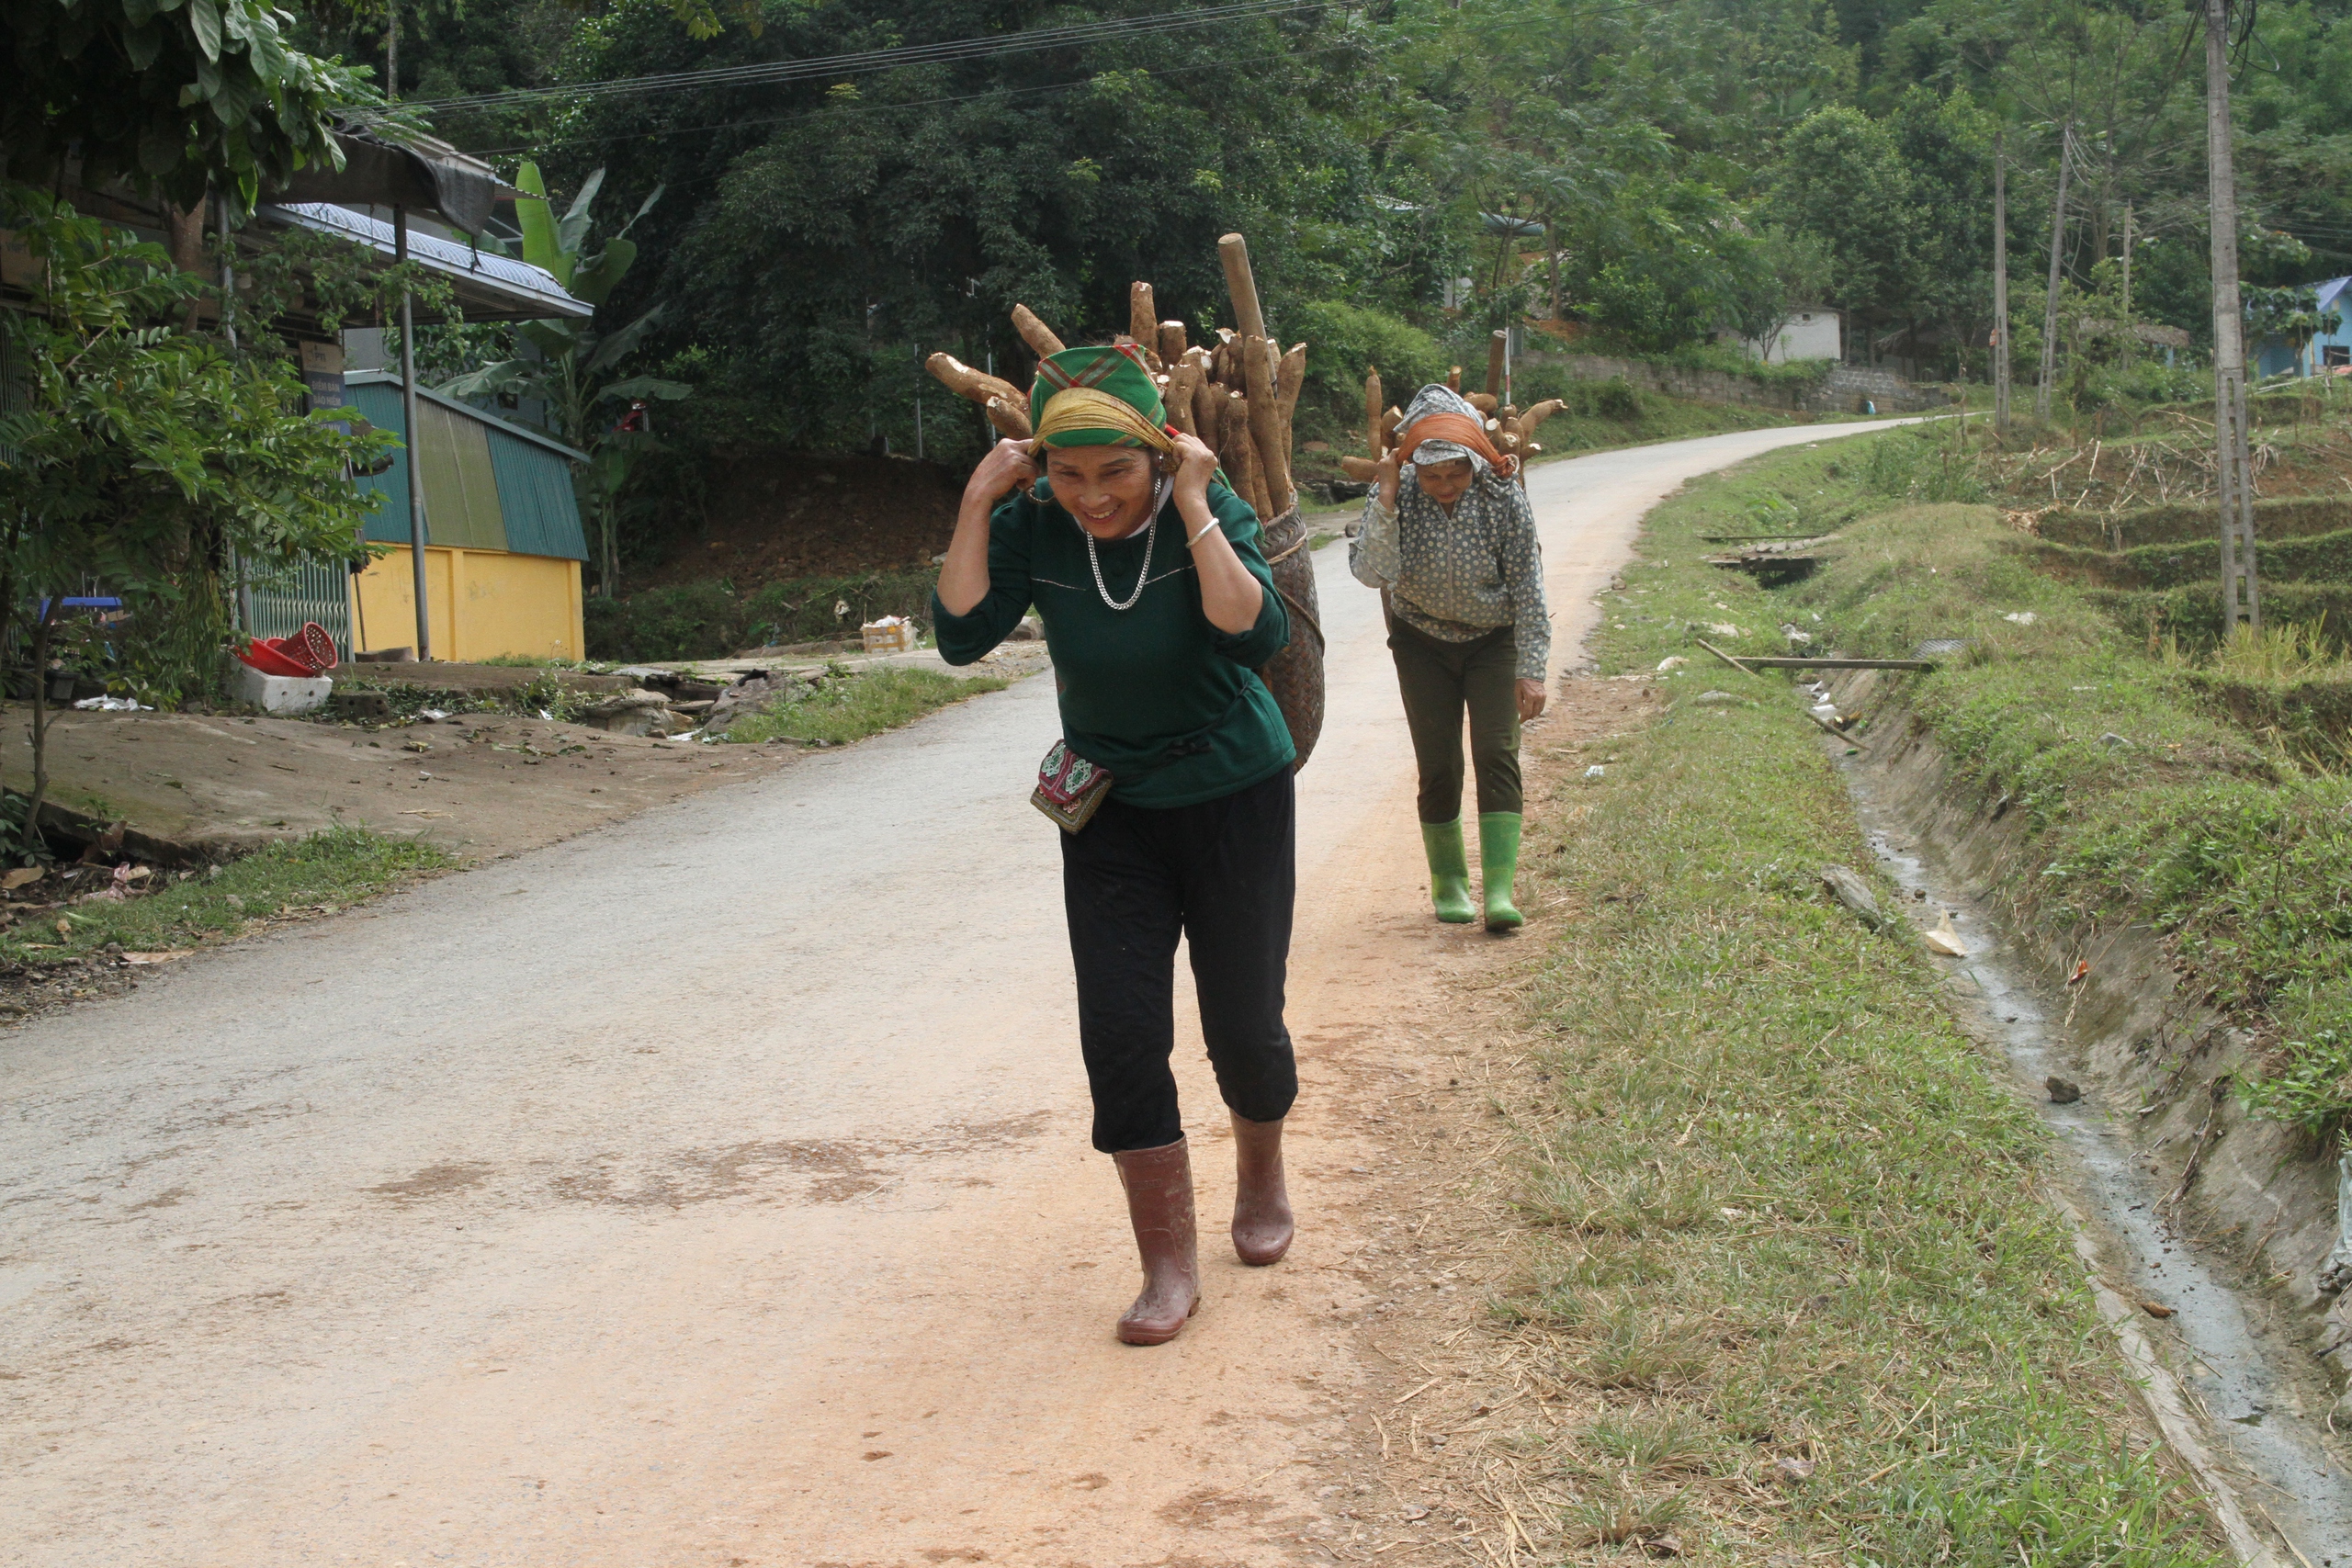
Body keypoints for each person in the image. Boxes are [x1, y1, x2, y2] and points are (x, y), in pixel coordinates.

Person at [933, 342, 1299, 1347]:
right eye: (1068, 471)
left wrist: (1190, 503)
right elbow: (960, 635)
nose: (1091, 495)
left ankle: (1261, 1174)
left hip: (1233, 791)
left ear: (1153, 456)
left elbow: (1251, 631)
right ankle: (1167, 1263)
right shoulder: (1033, 523)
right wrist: (977, 501)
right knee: (1122, 1031)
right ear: (1041, 467)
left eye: (1115, 471)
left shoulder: (1200, 512)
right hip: (1110, 808)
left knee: (1244, 1020)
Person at [1350, 383, 1551, 931]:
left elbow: (1529, 586)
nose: (1443, 485)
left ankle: (1501, 890)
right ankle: (1450, 882)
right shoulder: (1400, 492)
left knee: (1496, 752)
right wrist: (1388, 497)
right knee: (1439, 764)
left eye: (1455, 473)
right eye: (1431, 474)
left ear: (1472, 460)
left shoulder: (1501, 494)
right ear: (1413, 464)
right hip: (1422, 642)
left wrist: (1531, 670)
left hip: (1494, 641)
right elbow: (1371, 574)